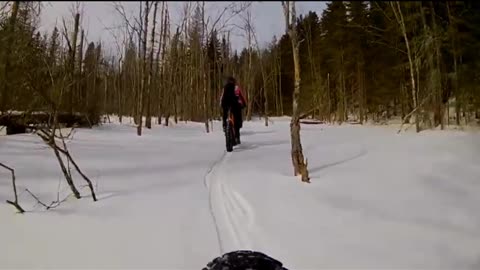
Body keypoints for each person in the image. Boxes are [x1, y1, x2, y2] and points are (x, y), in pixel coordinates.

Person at [220, 76, 246, 145]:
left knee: (225, 114)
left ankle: (224, 125)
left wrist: (221, 105)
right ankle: (237, 136)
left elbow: (222, 98)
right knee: (237, 119)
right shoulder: (236, 88)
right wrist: (243, 104)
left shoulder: (225, 88)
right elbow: (241, 98)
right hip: (235, 106)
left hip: (226, 105)